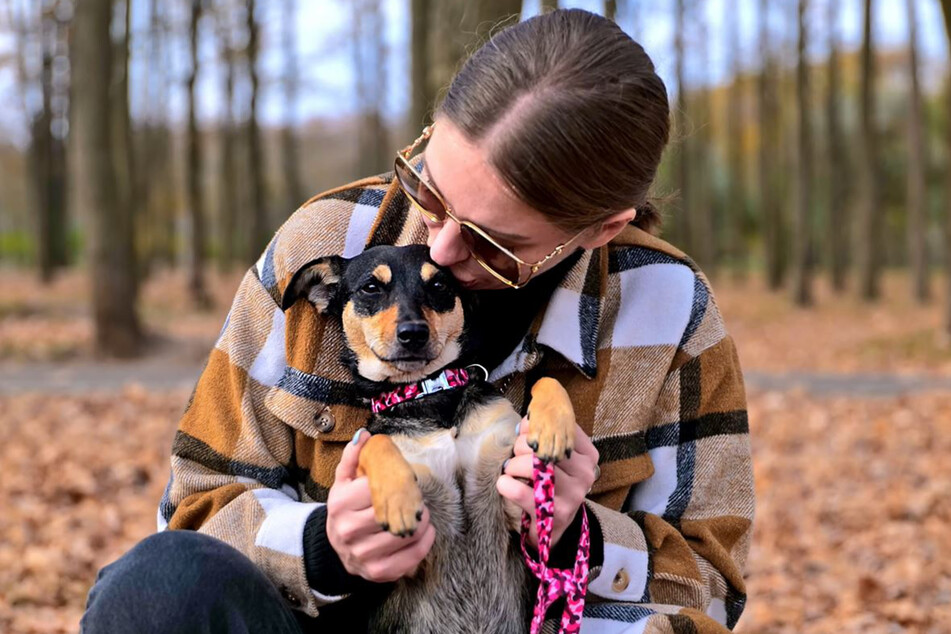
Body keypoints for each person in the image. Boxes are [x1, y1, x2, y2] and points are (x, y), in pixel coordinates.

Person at [81, 8, 753, 633]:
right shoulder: (324, 245)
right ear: (431, 131)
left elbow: (709, 585)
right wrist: (321, 548)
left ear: (599, 229)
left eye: (492, 243)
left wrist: (580, 536)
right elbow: (195, 508)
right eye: (429, 189)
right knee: (161, 584)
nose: (438, 248)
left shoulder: (666, 308)